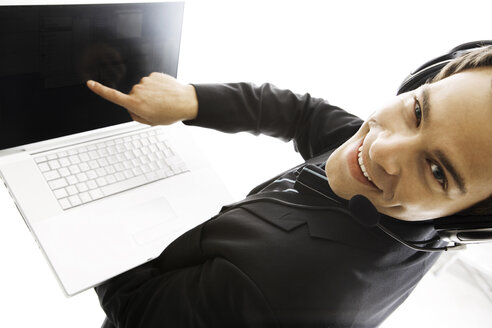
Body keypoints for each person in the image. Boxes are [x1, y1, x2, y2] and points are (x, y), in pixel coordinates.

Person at [86, 45, 492, 327]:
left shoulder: (285, 294)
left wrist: (94, 220)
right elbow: (303, 114)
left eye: (437, 171)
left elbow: (141, 312)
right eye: (418, 110)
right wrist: (193, 100)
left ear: (466, 219)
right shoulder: (386, 178)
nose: (382, 148)